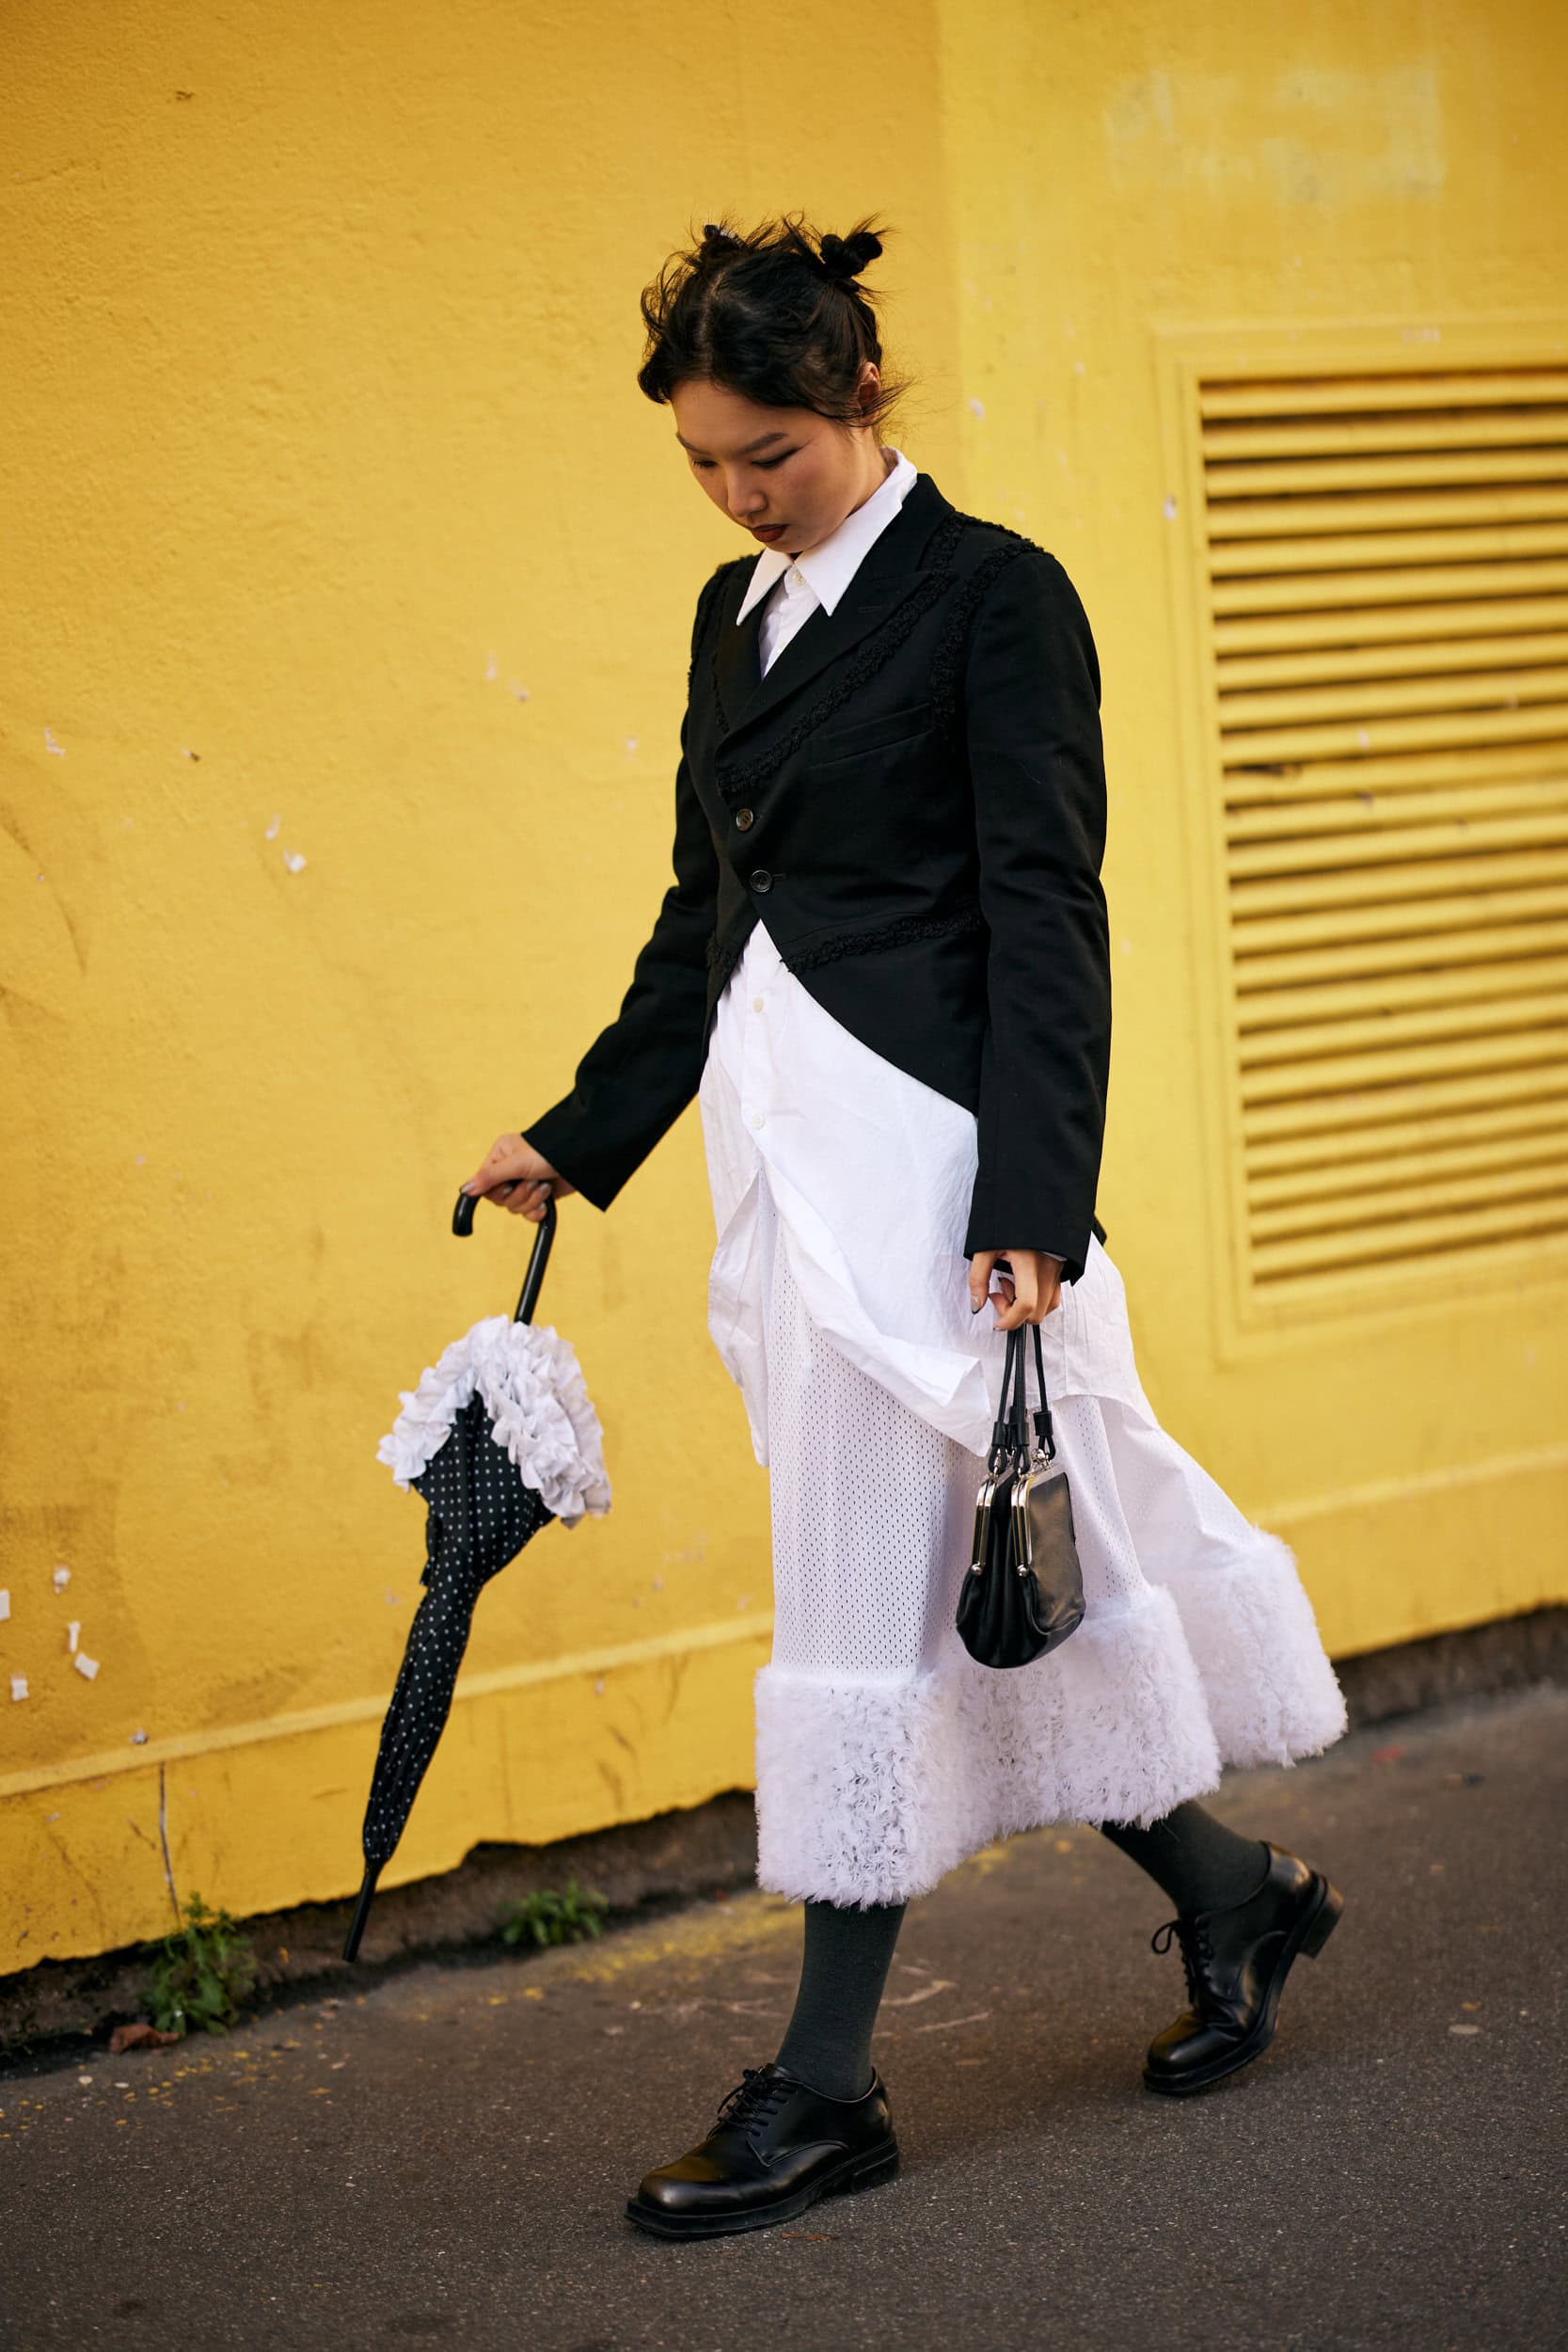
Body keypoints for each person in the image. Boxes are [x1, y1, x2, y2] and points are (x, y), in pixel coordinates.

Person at [462, 215, 1349, 2241]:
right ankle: (1240, 1896)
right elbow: (704, 910)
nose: (737, 494)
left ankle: (826, 2087)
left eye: (766, 452)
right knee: (980, 1596)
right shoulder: (734, 614)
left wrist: (1035, 1198)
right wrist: (580, 1132)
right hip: (790, 1176)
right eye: (702, 461)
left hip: (944, 1186)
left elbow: (1049, 908)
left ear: (859, 390)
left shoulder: (992, 595)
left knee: (865, 1606)